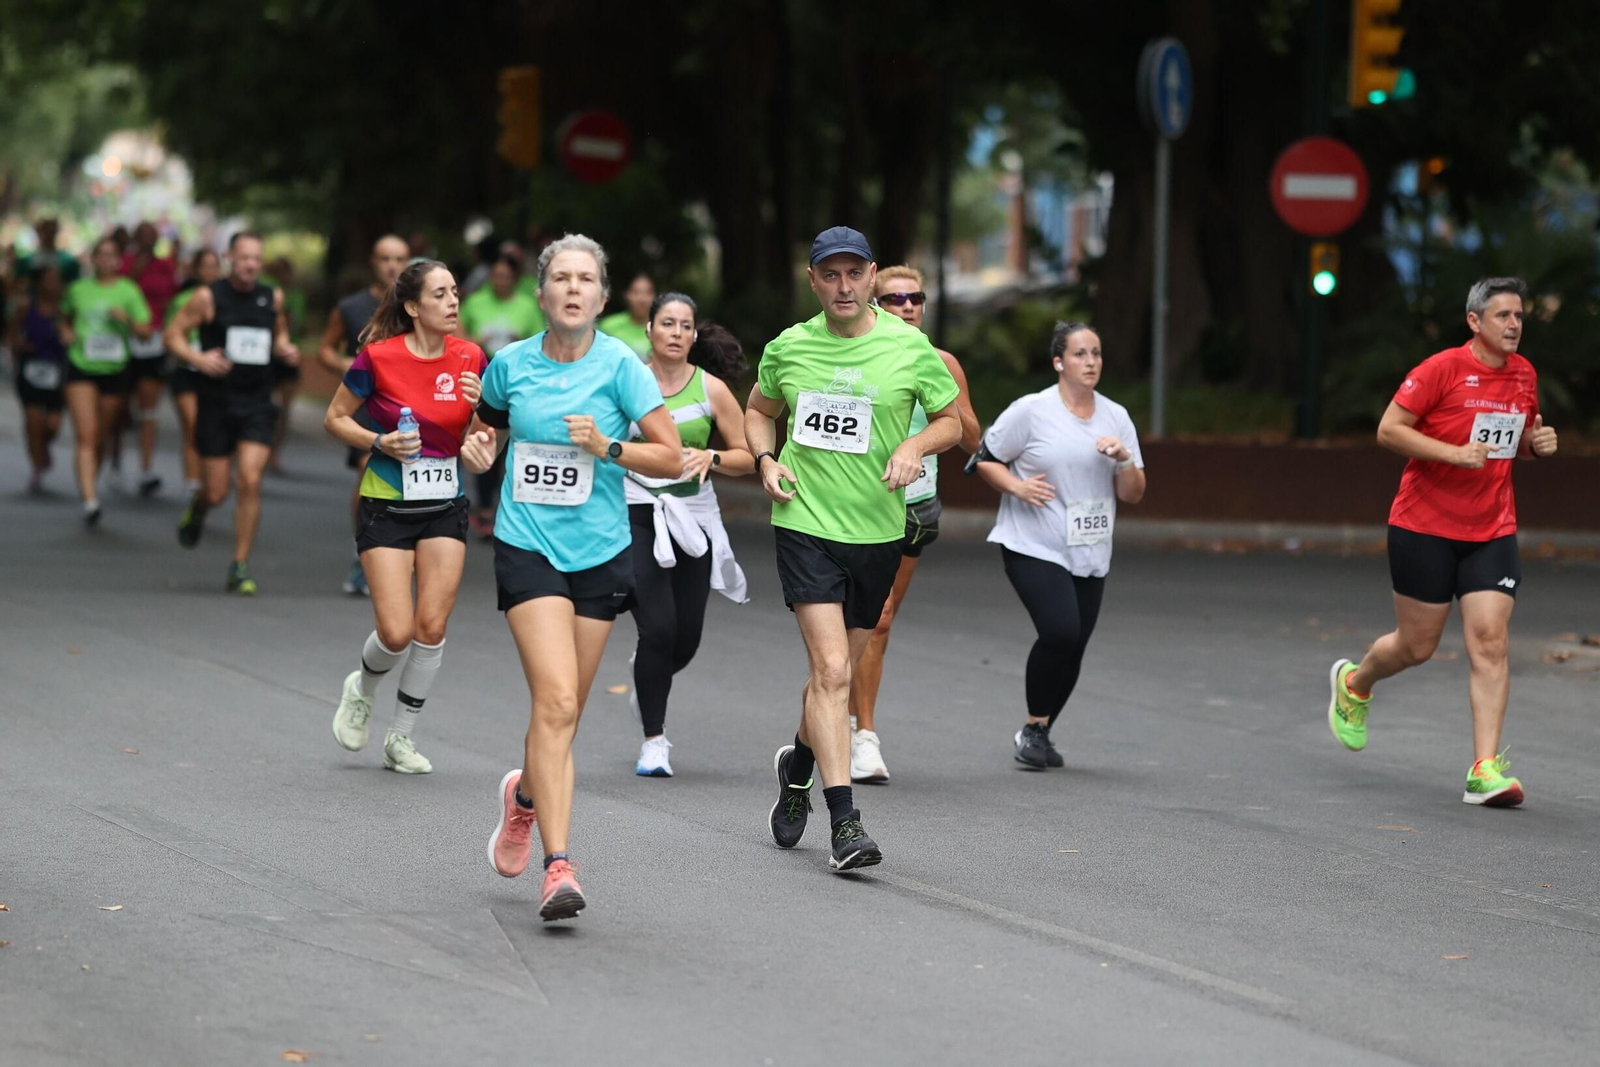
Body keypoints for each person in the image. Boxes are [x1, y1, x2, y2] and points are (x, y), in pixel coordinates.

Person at [472, 233, 682, 922]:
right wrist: (478, 449)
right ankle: (558, 865)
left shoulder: (623, 367)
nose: (571, 287)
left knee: (565, 710)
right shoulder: (509, 366)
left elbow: (670, 456)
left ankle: (524, 796)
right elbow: (487, 431)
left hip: (599, 552)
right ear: (542, 293)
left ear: (601, 295)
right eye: (559, 277)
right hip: (525, 544)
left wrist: (609, 446)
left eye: (584, 278)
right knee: (556, 699)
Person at [746, 226, 961, 872]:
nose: (842, 286)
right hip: (805, 521)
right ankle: (846, 824)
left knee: (831, 681)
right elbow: (758, 408)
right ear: (812, 281)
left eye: (853, 274)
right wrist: (763, 458)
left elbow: (952, 420)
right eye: (828, 275)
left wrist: (913, 446)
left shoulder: (909, 347)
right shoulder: (789, 346)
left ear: (871, 277)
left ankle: (799, 766)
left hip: (877, 533)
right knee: (834, 670)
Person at [1327, 277, 1558, 808]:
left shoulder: (1523, 375)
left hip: (1492, 530)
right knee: (1416, 646)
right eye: (1503, 316)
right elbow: (1389, 429)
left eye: (1519, 315)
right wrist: (1452, 454)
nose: (1515, 325)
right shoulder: (1441, 370)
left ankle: (1484, 770)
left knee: (1490, 641)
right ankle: (1355, 684)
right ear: (1475, 322)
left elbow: (1514, 442)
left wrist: (1538, 446)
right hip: (1423, 526)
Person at [324, 260, 487, 775]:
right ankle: (362, 688)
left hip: (443, 505)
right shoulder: (378, 358)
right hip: (387, 503)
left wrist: (484, 421)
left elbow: (480, 434)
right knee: (396, 632)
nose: (453, 302)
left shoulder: (471, 357)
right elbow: (335, 417)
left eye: (455, 292)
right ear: (414, 307)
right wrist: (379, 441)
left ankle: (401, 738)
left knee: (431, 627)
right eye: (440, 295)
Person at [976, 321, 1146, 769]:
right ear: (1058, 362)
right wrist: (1017, 488)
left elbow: (1134, 493)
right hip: (1032, 542)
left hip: (1089, 547)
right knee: (1061, 631)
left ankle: (1042, 732)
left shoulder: (1116, 417)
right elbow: (984, 462)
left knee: (1076, 644)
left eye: (1096, 353)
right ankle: (1032, 727)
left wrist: (1124, 460)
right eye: (1079, 354)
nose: (1090, 362)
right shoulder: (1031, 411)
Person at [846, 265, 982, 783]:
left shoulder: (941, 361)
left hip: (914, 509)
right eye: (894, 297)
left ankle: (860, 729)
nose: (906, 305)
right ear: (875, 304)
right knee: (860, 618)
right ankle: (851, 723)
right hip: (855, 506)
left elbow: (970, 438)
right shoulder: (855, 356)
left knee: (878, 620)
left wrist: (943, 389)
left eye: (915, 297)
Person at [623, 297, 755, 777]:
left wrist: (712, 459)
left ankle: (648, 673)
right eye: (667, 324)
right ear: (650, 330)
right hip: (636, 512)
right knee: (657, 628)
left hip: (694, 518)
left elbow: (749, 455)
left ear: (694, 336)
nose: (676, 333)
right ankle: (654, 741)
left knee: (686, 640)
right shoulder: (628, 381)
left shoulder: (712, 389)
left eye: (685, 326)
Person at [164, 231, 301, 594]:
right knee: (217, 492)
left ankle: (239, 564)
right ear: (229, 258)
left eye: (257, 258)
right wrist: (197, 358)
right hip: (216, 402)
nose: (251, 265)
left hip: (257, 402)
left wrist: (286, 350)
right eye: (244, 258)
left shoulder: (271, 297)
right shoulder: (208, 296)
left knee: (251, 480)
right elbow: (173, 334)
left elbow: (280, 335)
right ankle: (199, 506)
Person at [318, 234, 410, 596]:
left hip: (407, 407)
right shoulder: (351, 307)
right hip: (366, 407)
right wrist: (343, 363)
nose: (392, 266)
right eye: (385, 258)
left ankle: (398, 550)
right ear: (373, 262)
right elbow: (325, 348)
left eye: (400, 259)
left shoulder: (418, 307)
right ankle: (364, 550)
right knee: (367, 470)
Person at [59, 236, 154, 525]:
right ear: (93, 258)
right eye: (100, 254)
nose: (105, 260)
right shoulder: (78, 289)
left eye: (111, 255)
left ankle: (91, 483)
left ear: (119, 259)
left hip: (114, 369)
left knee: (100, 435)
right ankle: (90, 499)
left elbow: (145, 332)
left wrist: (126, 319)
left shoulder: (129, 291)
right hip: (81, 367)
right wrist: (65, 331)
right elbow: (65, 316)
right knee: (86, 435)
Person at [459, 254, 546, 536]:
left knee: (512, 443)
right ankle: (484, 508)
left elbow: (539, 340)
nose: (500, 281)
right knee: (486, 438)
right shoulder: (475, 302)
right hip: (482, 376)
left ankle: (503, 505)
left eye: (506, 276)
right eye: (496, 275)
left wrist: (515, 341)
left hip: (519, 378)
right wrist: (478, 341)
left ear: (515, 279)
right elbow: (458, 339)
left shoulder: (527, 305)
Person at [120, 221, 182, 497]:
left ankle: (146, 468)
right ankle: (114, 459)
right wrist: (137, 268)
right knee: (119, 409)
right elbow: (119, 290)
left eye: (151, 237)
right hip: (123, 342)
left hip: (154, 340)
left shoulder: (165, 265)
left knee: (148, 408)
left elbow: (172, 299)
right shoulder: (125, 262)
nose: (147, 240)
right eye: (142, 236)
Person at [7, 264, 69, 494]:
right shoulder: (25, 309)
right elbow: (11, 337)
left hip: (57, 371)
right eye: (49, 279)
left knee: (52, 425)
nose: (53, 284)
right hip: (30, 370)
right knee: (33, 420)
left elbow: (74, 337)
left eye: (57, 279)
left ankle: (43, 446)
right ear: (39, 283)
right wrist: (19, 346)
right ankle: (36, 470)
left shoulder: (65, 311)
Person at [169, 249, 223, 495]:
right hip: (186, 372)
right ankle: (193, 483)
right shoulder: (184, 300)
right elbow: (170, 336)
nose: (210, 271)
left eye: (215, 266)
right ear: (197, 270)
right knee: (193, 426)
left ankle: (210, 477)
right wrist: (193, 355)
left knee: (214, 428)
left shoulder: (227, 300)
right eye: (205, 266)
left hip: (216, 374)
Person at [265, 256, 308, 473]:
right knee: (265, 405)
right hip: (268, 356)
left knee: (284, 410)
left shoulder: (296, 296)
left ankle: (274, 454)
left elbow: (299, 324)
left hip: (289, 355)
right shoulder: (266, 291)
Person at [597, 271, 655, 360]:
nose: (642, 299)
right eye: (636, 292)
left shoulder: (662, 328)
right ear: (626, 295)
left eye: (647, 292)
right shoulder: (608, 326)